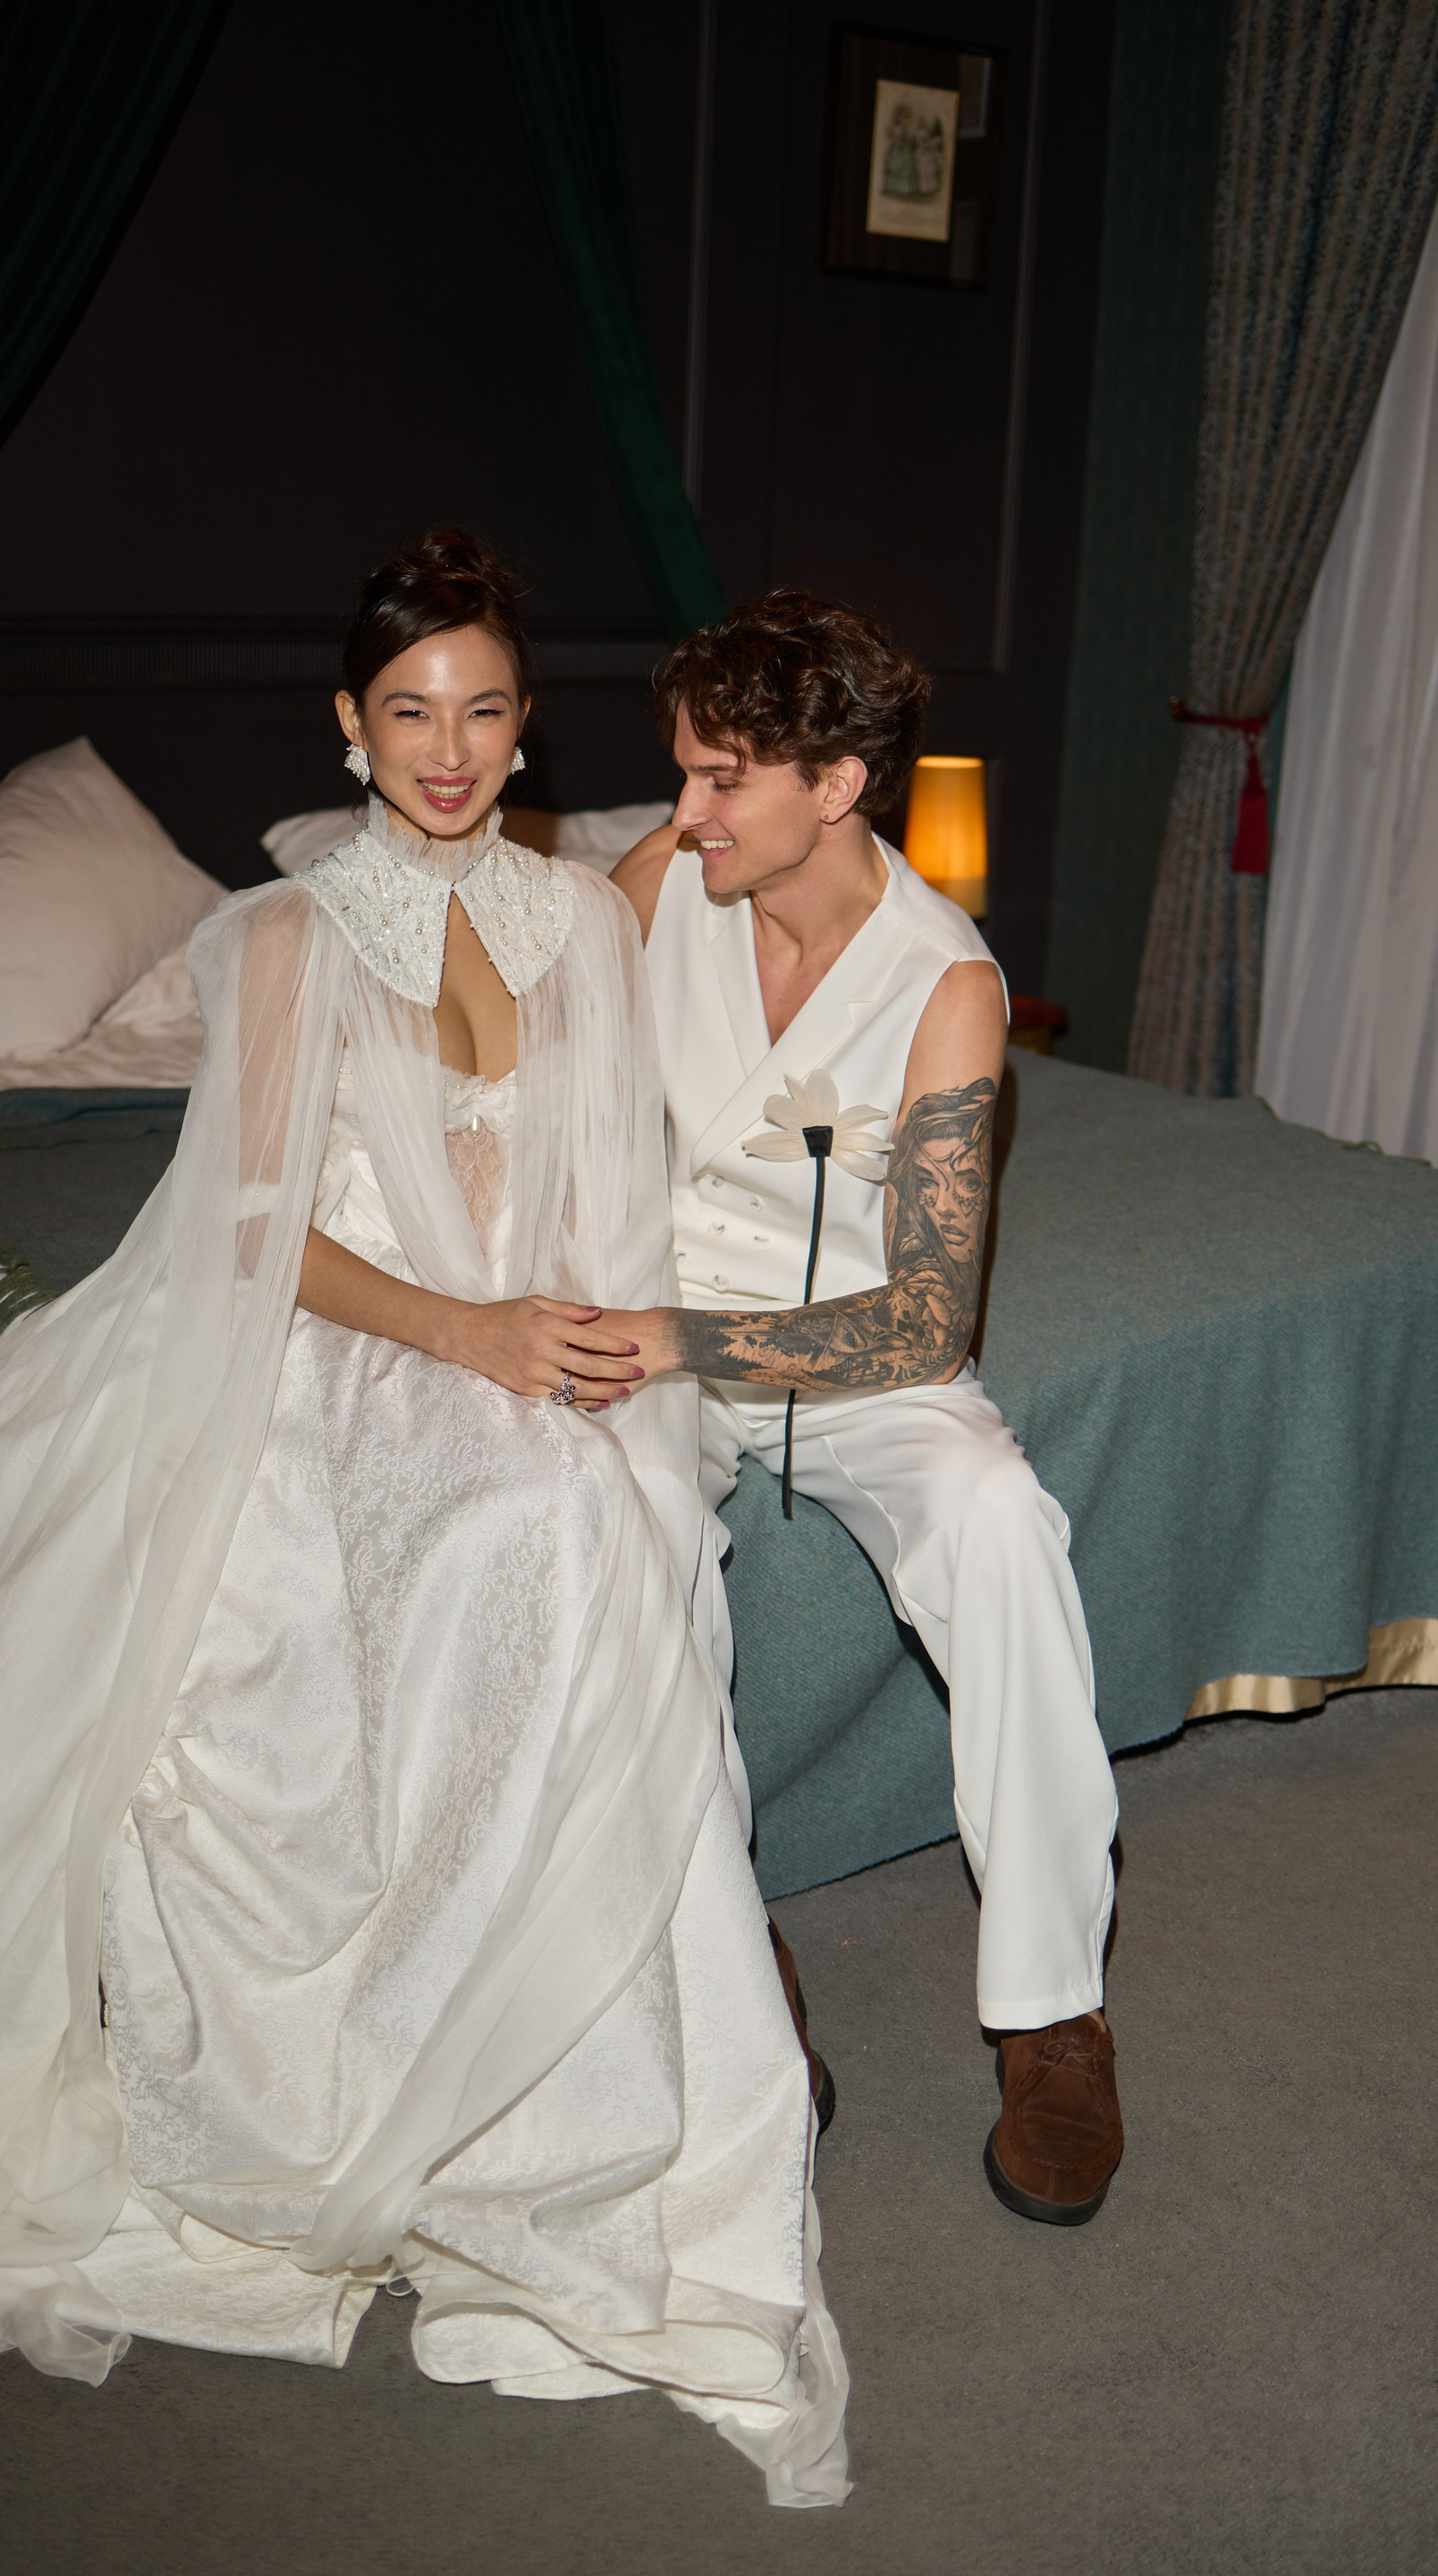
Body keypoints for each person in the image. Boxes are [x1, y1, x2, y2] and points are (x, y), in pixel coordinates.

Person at [0, 535, 850, 2506]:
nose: (447, 747)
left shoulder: (582, 923)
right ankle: (420, 2075)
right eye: (409, 711)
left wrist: (604, 1346)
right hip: (335, 1342)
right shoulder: (278, 941)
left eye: (482, 710)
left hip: (520, 1340)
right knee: (497, 1542)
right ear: (350, 725)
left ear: (525, 728)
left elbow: (606, 1182)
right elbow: (256, 1233)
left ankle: (571, 2048)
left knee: (589, 1521)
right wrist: (470, 1335)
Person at [609, 589, 1125, 2227]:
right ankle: (733, 1955)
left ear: (835, 784)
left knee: (1000, 1520)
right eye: (685, 771)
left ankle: (1054, 2017)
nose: (685, 809)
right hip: (655, 1331)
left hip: (842, 1355)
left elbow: (926, 1319)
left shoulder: (945, 985)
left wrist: (677, 1338)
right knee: (616, 1535)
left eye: (721, 779)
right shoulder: (658, 886)